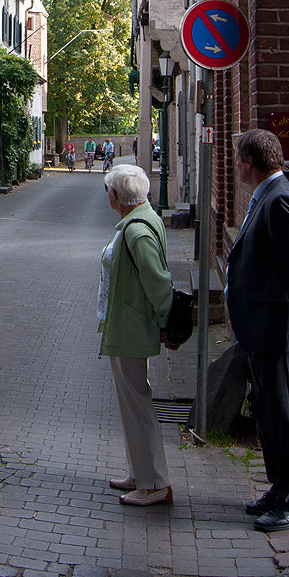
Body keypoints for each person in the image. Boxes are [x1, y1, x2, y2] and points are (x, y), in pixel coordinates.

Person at [226, 129, 289, 533]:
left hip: (278, 328)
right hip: (261, 327)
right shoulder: (265, 195)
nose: (235, 165)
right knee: (267, 411)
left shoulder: (280, 199)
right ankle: (278, 487)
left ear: (250, 162)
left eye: (238, 159)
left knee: (283, 414)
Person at [99, 166, 174, 506]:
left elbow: (158, 282)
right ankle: (139, 473)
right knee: (131, 404)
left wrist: (165, 322)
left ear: (116, 196)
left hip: (131, 326)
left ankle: (154, 482)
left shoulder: (137, 231)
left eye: (108, 191)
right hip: (126, 323)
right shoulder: (141, 218)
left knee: (137, 404)